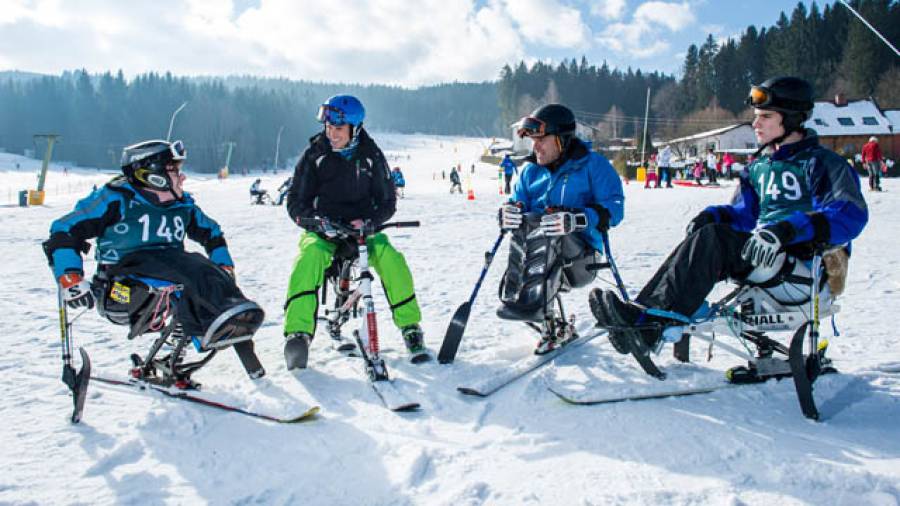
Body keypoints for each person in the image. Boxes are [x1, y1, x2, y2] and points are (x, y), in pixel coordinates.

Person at [589, 76, 868, 359]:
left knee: (715, 240)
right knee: (705, 234)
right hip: (764, 256)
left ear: (793, 118)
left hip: (804, 266)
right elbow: (743, 215)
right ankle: (643, 316)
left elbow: (850, 215)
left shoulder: (822, 163)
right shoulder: (759, 167)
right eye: (756, 117)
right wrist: (712, 216)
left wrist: (786, 230)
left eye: (765, 117)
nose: (755, 124)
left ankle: (649, 325)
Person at [43, 139, 266, 382]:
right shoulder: (116, 198)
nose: (182, 178)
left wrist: (224, 266)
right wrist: (71, 277)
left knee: (205, 270)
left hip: (169, 279)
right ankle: (212, 324)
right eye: (174, 171)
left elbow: (212, 233)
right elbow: (64, 231)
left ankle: (229, 327)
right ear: (153, 174)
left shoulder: (183, 205)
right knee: (190, 268)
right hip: (120, 288)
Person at [283, 94, 428, 369]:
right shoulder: (314, 154)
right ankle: (298, 333)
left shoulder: (371, 155)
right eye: (328, 127)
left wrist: (371, 220)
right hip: (323, 232)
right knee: (307, 259)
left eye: (338, 129)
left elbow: (388, 201)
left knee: (390, 257)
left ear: (354, 128)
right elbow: (294, 202)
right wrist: (316, 221)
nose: (331, 133)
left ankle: (410, 326)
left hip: (363, 231)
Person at [498, 103, 625, 353]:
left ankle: (535, 301)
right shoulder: (530, 171)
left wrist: (575, 218)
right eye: (533, 140)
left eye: (541, 139)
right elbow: (517, 202)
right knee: (531, 218)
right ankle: (519, 297)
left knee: (549, 221)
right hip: (534, 259)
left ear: (561, 139)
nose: (535, 146)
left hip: (580, 261)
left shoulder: (593, 165)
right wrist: (508, 213)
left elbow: (616, 209)